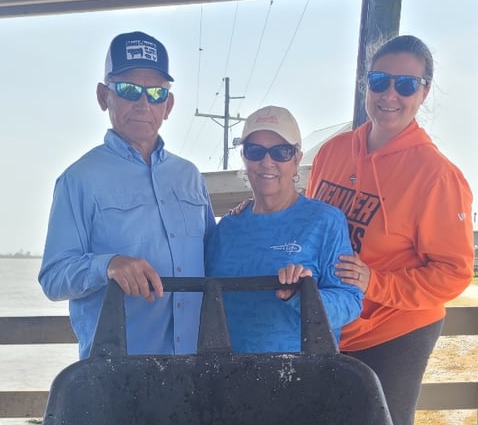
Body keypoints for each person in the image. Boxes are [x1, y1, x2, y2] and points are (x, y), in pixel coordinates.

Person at [306, 35, 474, 425]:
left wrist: (374, 282)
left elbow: (453, 274)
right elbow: (308, 222)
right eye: (379, 81)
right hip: (333, 321)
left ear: (424, 92)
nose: (390, 95)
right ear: (366, 84)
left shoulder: (437, 175)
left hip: (395, 327)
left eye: (405, 84)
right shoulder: (332, 152)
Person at [38, 31, 216, 358]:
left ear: (169, 105)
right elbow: (53, 277)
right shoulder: (78, 179)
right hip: (117, 376)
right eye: (129, 90)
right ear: (103, 96)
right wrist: (108, 265)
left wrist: (250, 221)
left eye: (156, 93)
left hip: (196, 367)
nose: (143, 104)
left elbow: (216, 257)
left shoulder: (190, 176)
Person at [205, 105, 363, 353]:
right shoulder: (226, 229)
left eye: (281, 152)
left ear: (297, 158)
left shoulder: (326, 221)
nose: (267, 162)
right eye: (255, 151)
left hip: (303, 379)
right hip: (227, 376)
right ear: (244, 157)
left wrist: (302, 295)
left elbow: (350, 303)